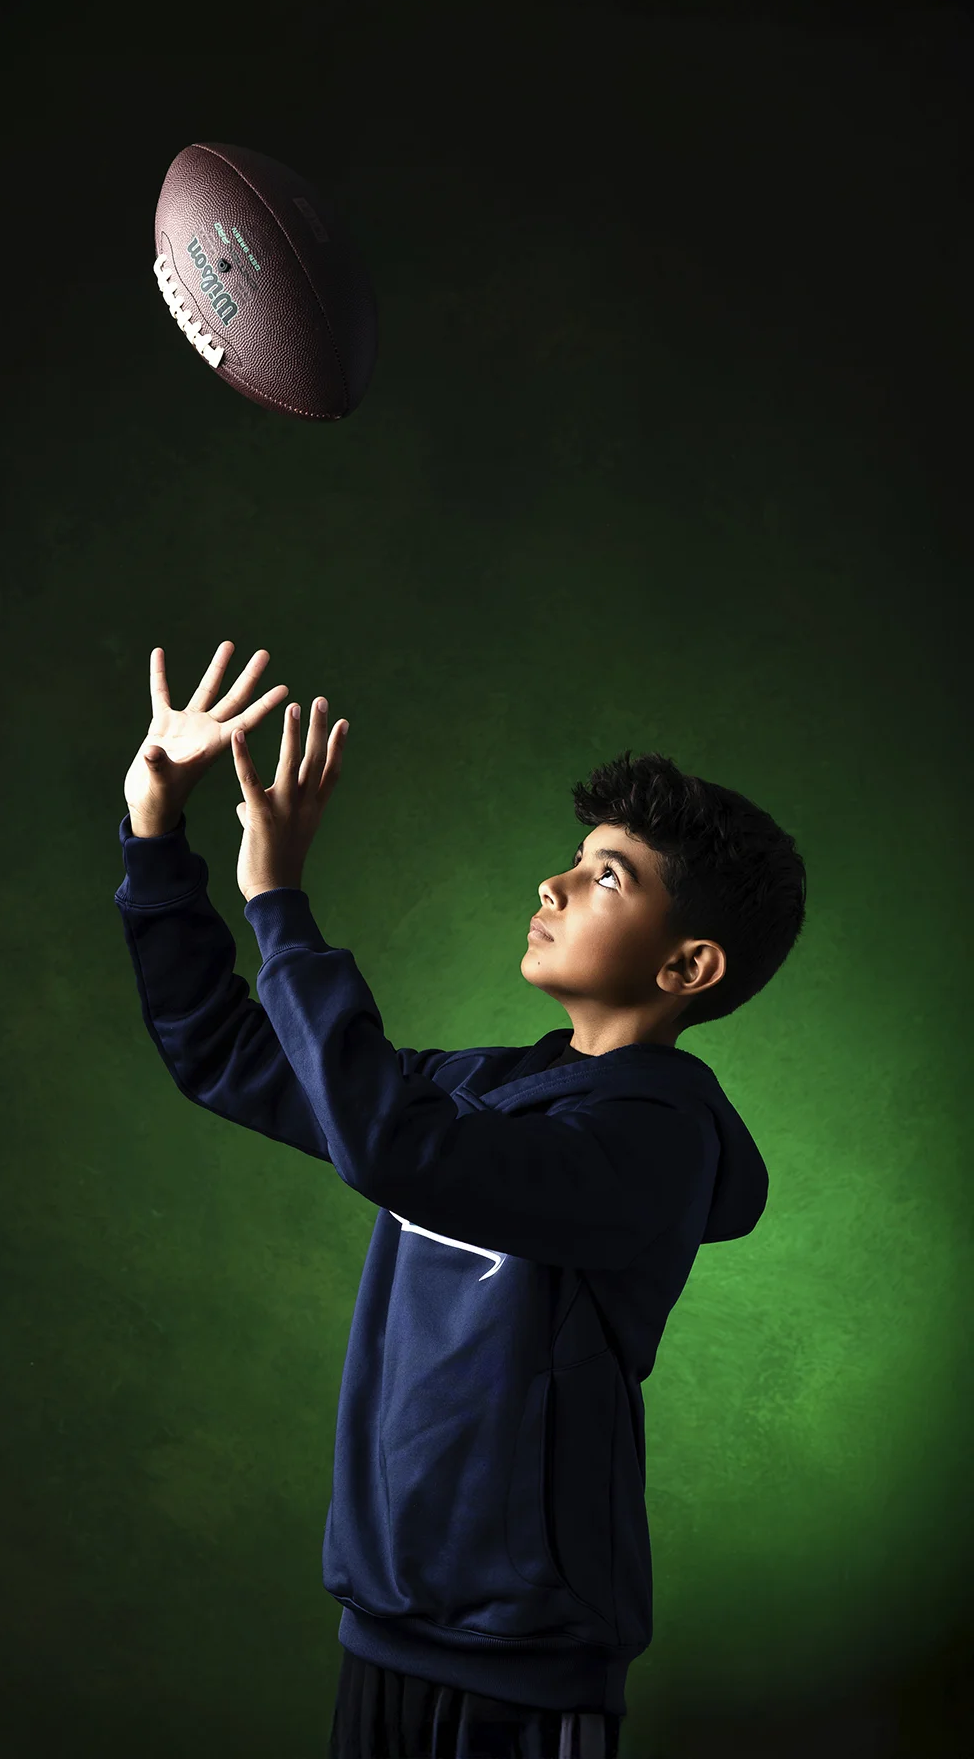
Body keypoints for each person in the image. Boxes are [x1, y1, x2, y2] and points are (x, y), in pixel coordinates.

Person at [115, 642, 807, 1759]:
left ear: (688, 969)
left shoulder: (657, 1144)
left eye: (608, 876)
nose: (557, 882)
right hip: (383, 1630)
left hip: (525, 1667)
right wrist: (155, 830)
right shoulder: (483, 1088)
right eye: (575, 859)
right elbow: (224, 1053)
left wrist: (279, 898)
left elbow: (397, 1151)